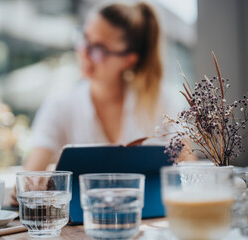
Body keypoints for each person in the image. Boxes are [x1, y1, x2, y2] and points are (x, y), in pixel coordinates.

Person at [22, 1, 186, 172]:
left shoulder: (161, 103)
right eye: (84, 38)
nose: (83, 52)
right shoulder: (59, 107)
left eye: (99, 49)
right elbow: (30, 179)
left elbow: (188, 169)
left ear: (128, 60)